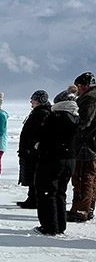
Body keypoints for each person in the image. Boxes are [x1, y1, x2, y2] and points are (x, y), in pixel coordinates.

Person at [33, 91, 79, 234]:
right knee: (60, 192)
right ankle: (60, 225)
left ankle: (49, 226)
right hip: (70, 160)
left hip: (52, 159)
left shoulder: (55, 117)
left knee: (47, 193)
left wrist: (39, 146)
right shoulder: (76, 117)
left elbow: (45, 137)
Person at [67, 72, 96, 222]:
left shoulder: (89, 99)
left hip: (86, 144)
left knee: (83, 177)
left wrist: (72, 127)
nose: (77, 89)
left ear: (84, 86)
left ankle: (81, 210)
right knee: (89, 177)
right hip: (90, 144)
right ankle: (87, 208)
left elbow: (85, 122)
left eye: (78, 86)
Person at [16, 90, 52, 208]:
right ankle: (31, 198)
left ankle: (34, 200)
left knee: (34, 176)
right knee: (31, 175)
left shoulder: (42, 113)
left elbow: (38, 132)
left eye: (34, 99)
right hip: (30, 150)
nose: (31, 101)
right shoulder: (38, 112)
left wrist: (32, 146)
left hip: (34, 152)